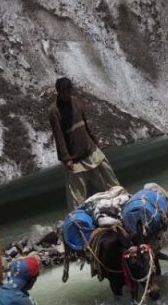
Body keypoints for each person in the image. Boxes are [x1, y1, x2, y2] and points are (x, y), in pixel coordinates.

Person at [48, 77, 120, 210]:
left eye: (69, 90)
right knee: (77, 196)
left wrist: (95, 141)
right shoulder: (54, 111)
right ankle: (78, 219)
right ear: (58, 92)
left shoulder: (76, 102)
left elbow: (85, 124)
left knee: (110, 179)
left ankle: (121, 201)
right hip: (74, 158)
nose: (67, 94)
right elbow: (59, 136)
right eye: (64, 91)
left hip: (89, 148)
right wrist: (66, 158)